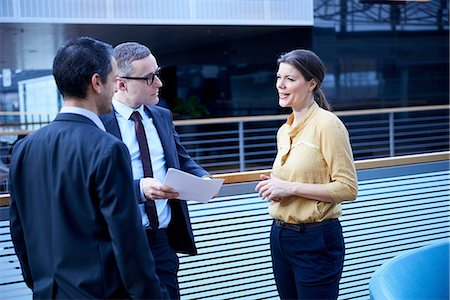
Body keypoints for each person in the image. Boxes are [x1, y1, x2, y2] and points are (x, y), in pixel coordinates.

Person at [9, 36, 166, 299]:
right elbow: (128, 243)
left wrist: (40, 283)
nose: (116, 88)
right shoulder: (108, 148)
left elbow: (19, 230)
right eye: (112, 78)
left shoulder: (24, 148)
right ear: (96, 83)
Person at [100, 42, 211, 299]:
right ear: (121, 83)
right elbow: (93, 184)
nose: (159, 83)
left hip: (162, 240)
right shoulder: (98, 124)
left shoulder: (161, 116)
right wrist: (139, 189)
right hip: (119, 241)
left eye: (157, 73)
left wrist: (203, 177)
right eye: (149, 77)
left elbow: (181, 158)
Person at [255, 49, 358, 300]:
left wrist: (290, 188)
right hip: (280, 235)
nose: (281, 85)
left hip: (316, 239)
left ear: (311, 83)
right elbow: (302, 177)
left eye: (290, 79)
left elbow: (347, 188)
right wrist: (276, 187)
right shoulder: (284, 130)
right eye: (279, 77)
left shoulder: (328, 125)